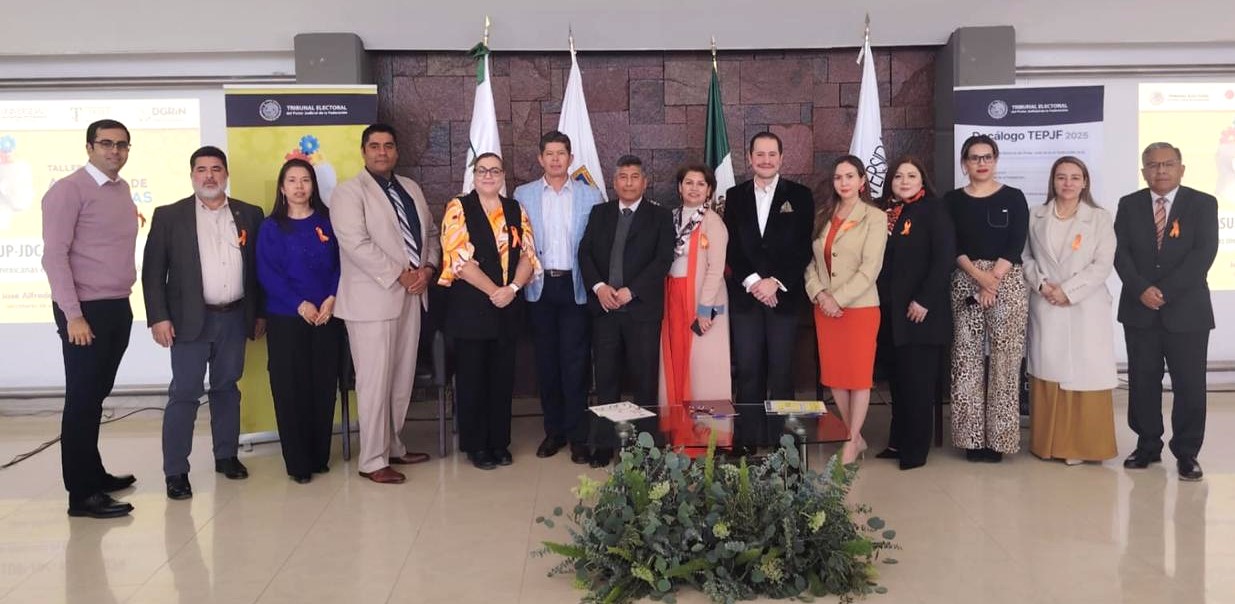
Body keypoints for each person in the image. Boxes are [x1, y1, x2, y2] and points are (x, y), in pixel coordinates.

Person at [142, 146, 266, 500]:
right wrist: (159, 317)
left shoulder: (249, 213)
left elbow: (258, 270)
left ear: (226, 174)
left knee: (227, 388)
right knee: (184, 394)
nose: (209, 176)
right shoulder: (169, 215)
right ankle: (176, 471)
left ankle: (226, 455)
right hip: (188, 321)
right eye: (201, 169)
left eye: (216, 169)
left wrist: (259, 313)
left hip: (234, 318)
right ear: (192, 175)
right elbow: (153, 273)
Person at [332, 123, 441, 484]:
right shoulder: (348, 192)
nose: (382, 152)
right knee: (375, 382)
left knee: (400, 379)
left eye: (389, 146)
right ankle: (372, 459)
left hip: (413, 295)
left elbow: (431, 234)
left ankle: (393, 446)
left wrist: (428, 269)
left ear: (396, 151)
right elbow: (355, 243)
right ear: (363, 151)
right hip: (372, 301)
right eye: (375, 146)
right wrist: (400, 274)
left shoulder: (410, 188)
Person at [41, 119, 140, 518]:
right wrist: (73, 316)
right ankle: (81, 495)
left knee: (95, 396)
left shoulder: (121, 189)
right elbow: (54, 257)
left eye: (122, 145)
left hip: (116, 305)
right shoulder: (68, 190)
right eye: (106, 144)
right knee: (82, 400)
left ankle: (93, 473)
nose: (115, 151)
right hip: (85, 311)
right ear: (89, 147)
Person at [1115, 142, 1218, 481]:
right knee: (1142, 382)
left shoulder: (1203, 203)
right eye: (1153, 165)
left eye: (1168, 164)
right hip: (1139, 309)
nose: (1160, 170)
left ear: (1181, 169)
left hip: (1187, 312)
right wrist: (1140, 289)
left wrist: (1166, 292)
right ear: (1143, 171)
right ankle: (1147, 445)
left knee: (1190, 385)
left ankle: (1187, 453)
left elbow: (1204, 253)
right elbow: (1120, 253)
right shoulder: (1129, 204)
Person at [439, 153, 539, 470]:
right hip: (471, 309)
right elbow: (459, 260)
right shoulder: (458, 207)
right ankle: (476, 445)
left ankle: (499, 443)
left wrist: (512, 289)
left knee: (501, 379)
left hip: (507, 307)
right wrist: (495, 291)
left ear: (503, 175)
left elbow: (528, 255)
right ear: (473, 174)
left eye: (494, 170)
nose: (488, 175)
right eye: (482, 170)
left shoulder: (515, 209)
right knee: (472, 379)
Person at [578, 154, 674, 467]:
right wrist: (599, 287)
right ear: (614, 182)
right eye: (623, 177)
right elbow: (585, 253)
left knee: (644, 382)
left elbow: (663, 259)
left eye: (634, 177)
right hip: (605, 311)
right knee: (606, 380)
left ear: (645, 182)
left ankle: (645, 447)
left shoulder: (660, 216)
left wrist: (632, 291)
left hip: (641, 311)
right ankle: (605, 444)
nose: (628, 183)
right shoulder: (600, 213)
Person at [513, 131, 603, 464]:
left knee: (575, 364)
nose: (555, 159)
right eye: (549, 153)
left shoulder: (590, 195)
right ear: (540, 158)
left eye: (561, 153)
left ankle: (578, 435)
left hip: (574, 286)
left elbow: (596, 246)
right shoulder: (523, 194)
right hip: (539, 286)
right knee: (547, 363)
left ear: (570, 158)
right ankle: (554, 432)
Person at [1022, 156, 1118, 466]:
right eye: (1061, 177)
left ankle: (1086, 447)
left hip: (1085, 306)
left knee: (1084, 374)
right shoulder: (1035, 215)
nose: (1068, 183)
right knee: (1051, 370)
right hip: (1046, 304)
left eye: (1075, 177)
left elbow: (1102, 264)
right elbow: (1025, 257)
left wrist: (1068, 291)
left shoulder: (1100, 218)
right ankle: (1050, 445)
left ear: (1085, 182)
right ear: (1053, 181)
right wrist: (1042, 284)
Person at [256, 158, 343, 483]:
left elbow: (342, 264)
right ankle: (298, 462)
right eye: (292, 180)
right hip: (287, 319)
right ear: (282, 187)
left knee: (323, 386)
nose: (299, 186)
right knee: (290, 388)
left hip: (326, 317)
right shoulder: (271, 227)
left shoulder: (328, 221)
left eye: (305, 180)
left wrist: (332, 297)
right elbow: (267, 273)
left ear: (313, 185)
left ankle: (320, 456)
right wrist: (299, 304)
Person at [946, 134, 1029, 463]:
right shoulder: (952, 200)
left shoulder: (1014, 197)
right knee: (965, 360)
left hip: (1007, 280)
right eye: (974, 157)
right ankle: (971, 439)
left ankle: (1000, 439)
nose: (981, 163)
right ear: (964, 163)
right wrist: (978, 277)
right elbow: (952, 244)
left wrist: (992, 280)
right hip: (965, 279)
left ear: (995, 160)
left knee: (1005, 361)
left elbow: (1016, 241)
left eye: (987, 157)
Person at [873, 156, 955, 470]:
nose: (904, 181)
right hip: (891, 315)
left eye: (911, 175)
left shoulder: (934, 210)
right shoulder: (885, 213)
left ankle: (916, 451)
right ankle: (897, 442)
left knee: (918, 386)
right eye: (898, 176)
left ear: (922, 180)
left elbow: (944, 259)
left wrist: (924, 300)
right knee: (898, 383)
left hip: (921, 314)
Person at [723, 132, 814, 413]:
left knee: (782, 371)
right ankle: (749, 433)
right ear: (750, 158)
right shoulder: (734, 196)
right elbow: (731, 246)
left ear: (781, 158)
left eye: (772, 154)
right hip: (746, 298)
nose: (766, 160)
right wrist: (754, 282)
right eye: (760, 154)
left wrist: (775, 282)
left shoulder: (800, 195)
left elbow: (803, 247)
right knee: (748, 371)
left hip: (783, 298)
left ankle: (782, 437)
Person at [805, 155, 887, 464]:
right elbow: (810, 262)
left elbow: (870, 268)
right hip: (824, 308)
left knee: (859, 377)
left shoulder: (874, 217)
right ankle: (856, 435)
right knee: (836, 376)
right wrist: (819, 293)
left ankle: (851, 440)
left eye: (850, 176)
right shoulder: (823, 213)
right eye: (838, 177)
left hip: (859, 308)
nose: (844, 182)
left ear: (862, 180)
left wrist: (837, 299)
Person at [657, 163, 731, 437]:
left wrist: (704, 309)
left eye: (701, 184)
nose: (694, 188)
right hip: (673, 298)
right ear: (680, 187)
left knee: (703, 368)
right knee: (675, 361)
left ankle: (708, 435)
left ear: (709, 190)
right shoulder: (669, 218)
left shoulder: (713, 222)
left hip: (702, 301)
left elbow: (716, 268)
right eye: (689, 182)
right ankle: (677, 430)